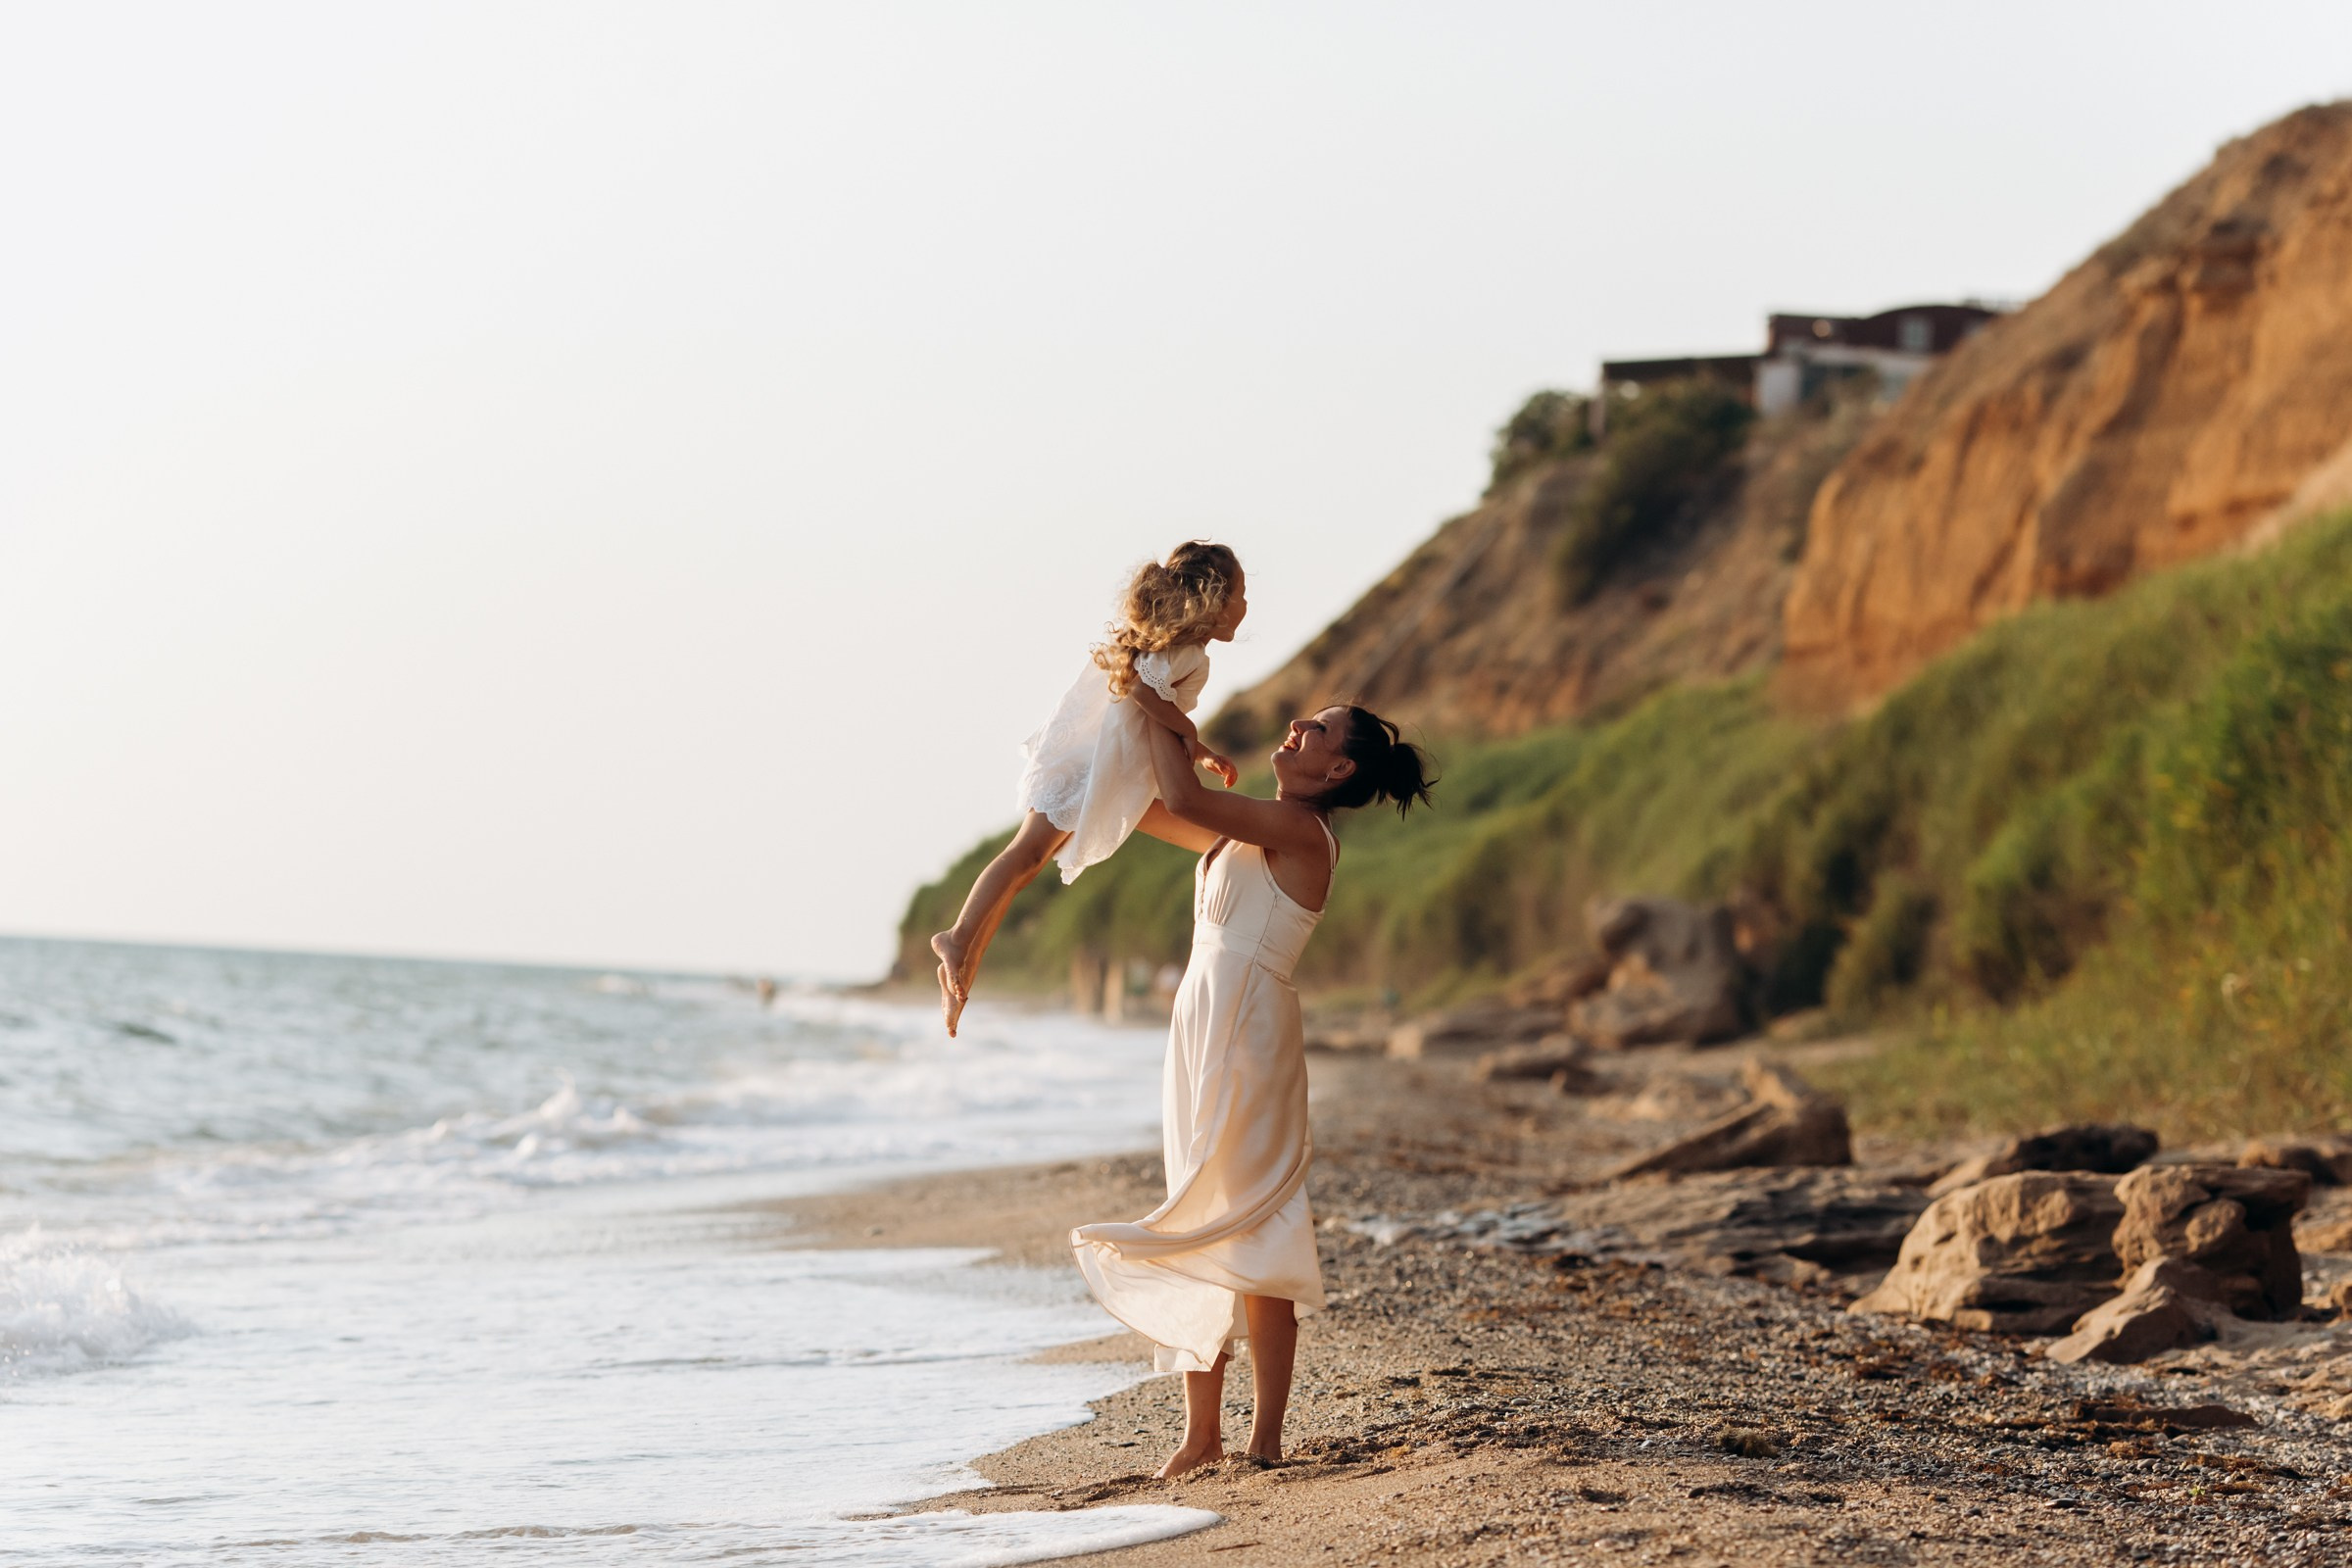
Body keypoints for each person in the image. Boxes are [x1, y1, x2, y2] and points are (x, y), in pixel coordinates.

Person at [1071, 705, 1434, 1478]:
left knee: (1258, 1219)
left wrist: (1163, 711)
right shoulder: (1250, 830)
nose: (1299, 724)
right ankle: (1202, 1434)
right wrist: (1143, 709)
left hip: (1248, 1027)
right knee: (1204, 1211)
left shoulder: (1302, 834)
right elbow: (1153, 813)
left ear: (1337, 772)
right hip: (1203, 1022)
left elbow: (1192, 800)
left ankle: (1264, 1437)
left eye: (1320, 730)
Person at [930, 542, 1247, 1035]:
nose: (1246, 606)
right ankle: (957, 938)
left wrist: (1197, 747)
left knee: (1026, 864)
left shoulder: (1173, 647)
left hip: (1096, 759)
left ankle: (963, 964)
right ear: (1211, 598)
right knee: (1025, 856)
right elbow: (1143, 691)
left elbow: (1152, 698)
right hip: (1092, 764)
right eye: (1241, 594)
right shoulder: (1184, 652)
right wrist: (1189, 735)